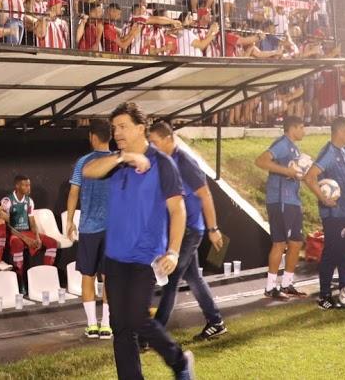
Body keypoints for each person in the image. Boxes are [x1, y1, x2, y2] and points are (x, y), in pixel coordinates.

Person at [81, 102, 193, 380]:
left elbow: (178, 210)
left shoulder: (162, 164)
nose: (116, 132)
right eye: (114, 128)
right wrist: (122, 158)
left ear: (141, 128)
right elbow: (88, 171)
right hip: (115, 257)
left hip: (146, 257)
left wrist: (174, 252)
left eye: (123, 127)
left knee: (137, 319)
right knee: (120, 327)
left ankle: (179, 362)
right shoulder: (114, 162)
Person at [148, 121, 226, 339]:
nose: (151, 147)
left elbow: (206, 195)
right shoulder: (162, 161)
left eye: (154, 142)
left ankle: (153, 335)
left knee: (171, 280)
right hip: (179, 231)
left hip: (191, 230)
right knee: (193, 278)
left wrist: (213, 228)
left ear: (168, 139)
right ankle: (216, 321)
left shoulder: (185, 162)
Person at [304, 116, 345, 309]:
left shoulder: (341, 151)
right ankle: (324, 296)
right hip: (333, 214)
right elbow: (309, 177)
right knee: (332, 253)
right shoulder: (328, 152)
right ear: (341, 132)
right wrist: (324, 198)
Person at [67, 121, 114, 339]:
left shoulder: (83, 162)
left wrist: (69, 220)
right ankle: (106, 325)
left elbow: (73, 193)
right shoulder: (117, 161)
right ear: (110, 136)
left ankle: (92, 325)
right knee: (109, 277)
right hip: (113, 229)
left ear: (92, 136)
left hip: (89, 228)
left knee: (88, 275)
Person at [254, 116, 308, 300]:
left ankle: (287, 284)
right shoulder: (283, 144)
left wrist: (298, 173)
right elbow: (261, 161)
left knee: (296, 242)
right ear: (292, 128)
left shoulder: (294, 147)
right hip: (280, 200)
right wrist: (288, 172)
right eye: (301, 127)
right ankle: (270, 287)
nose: (304, 131)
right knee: (280, 243)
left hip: (293, 200)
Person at [0, 175, 58, 279]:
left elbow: (32, 222)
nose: (28, 188)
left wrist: (37, 237)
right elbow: (6, 226)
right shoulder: (7, 201)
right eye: (25, 185)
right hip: (13, 233)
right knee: (17, 244)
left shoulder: (29, 201)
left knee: (52, 243)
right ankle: (20, 280)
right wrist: (25, 238)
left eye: (29, 185)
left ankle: (46, 276)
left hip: (26, 232)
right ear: (17, 186)